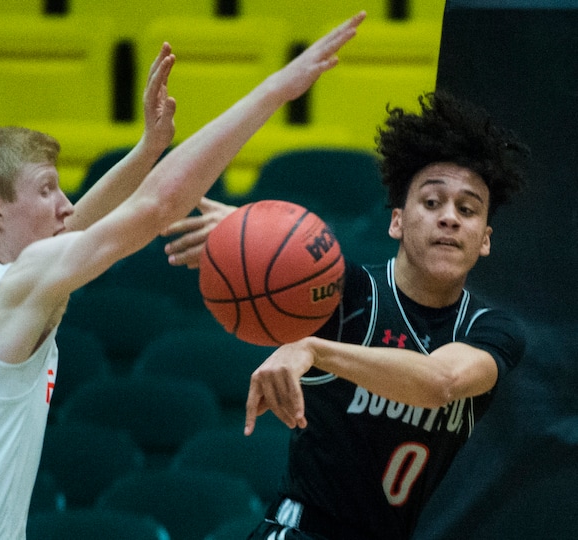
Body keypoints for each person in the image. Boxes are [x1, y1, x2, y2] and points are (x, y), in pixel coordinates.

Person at [0, 12, 367, 539]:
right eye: (48, 190)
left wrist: (146, 150)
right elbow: (161, 205)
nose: (65, 205)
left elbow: (77, 230)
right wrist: (276, 89)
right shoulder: (13, 288)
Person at [162, 90, 531, 538]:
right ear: (397, 221)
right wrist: (249, 240)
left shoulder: (492, 329)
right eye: (432, 203)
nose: (449, 218)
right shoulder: (343, 293)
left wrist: (314, 349)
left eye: (467, 209)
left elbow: (442, 382)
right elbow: (287, 263)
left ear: (485, 239)